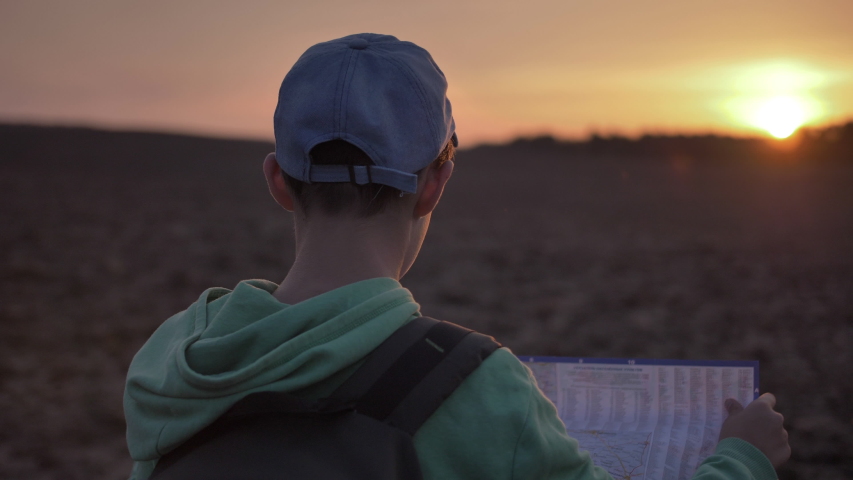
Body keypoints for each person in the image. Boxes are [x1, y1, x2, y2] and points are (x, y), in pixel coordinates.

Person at [123, 33, 790, 479]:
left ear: (277, 181)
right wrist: (743, 458)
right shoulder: (476, 390)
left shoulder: (171, 362)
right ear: (434, 184)